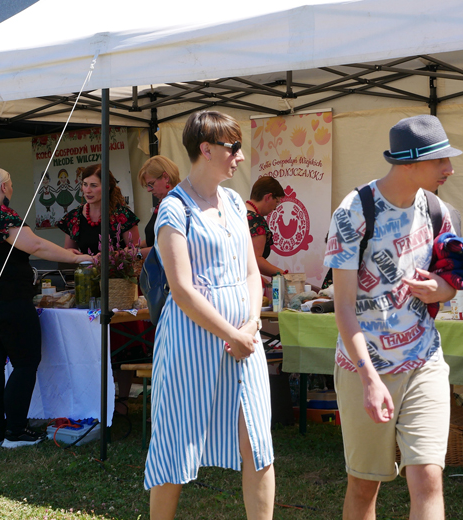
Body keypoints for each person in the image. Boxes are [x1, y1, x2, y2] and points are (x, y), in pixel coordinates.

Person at [325, 114, 460, 520]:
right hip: (366, 366)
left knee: (428, 480)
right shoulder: (353, 211)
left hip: (424, 360)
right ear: (410, 162)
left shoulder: (438, 210)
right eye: (440, 160)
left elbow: (453, 279)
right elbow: (343, 307)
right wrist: (369, 380)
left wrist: (442, 288)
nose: (449, 169)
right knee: (365, 486)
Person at [144, 111, 274, 520]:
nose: (239, 156)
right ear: (207, 149)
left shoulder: (235, 202)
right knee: (175, 446)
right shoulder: (173, 208)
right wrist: (230, 333)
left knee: (258, 442)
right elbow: (181, 289)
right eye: (233, 148)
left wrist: (250, 325)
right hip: (190, 343)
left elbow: (251, 271)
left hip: (244, 343)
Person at [0, 167, 93, 448]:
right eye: (11, 184)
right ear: (3, 188)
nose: (11, 189)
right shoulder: (1, 215)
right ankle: (14, 431)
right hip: (10, 299)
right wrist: (74, 259)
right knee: (25, 363)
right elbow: (35, 245)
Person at [57, 164, 142, 411]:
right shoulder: (74, 217)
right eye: (84, 184)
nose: (87, 190)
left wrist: (114, 258)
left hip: (117, 288)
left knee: (122, 345)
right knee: (91, 344)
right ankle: (95, 398)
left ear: (107, 187)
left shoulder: (122, 215)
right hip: (87, 287)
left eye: (93, 185)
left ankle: (123, 399)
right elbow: (65, 253)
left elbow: (135, 253)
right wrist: (73, 255)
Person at [137, 155, 181, 259]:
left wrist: (137, 254)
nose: (148, 189)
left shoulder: (174, 204)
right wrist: (140, 245)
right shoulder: (163, 202)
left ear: (166, 177)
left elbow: (167, 247)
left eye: (151, 184)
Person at [245, 176, 285, 277]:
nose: (275, 208)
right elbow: (255, 259)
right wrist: (283, 274)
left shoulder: (237, 212)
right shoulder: (255, 220)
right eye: (276, 202)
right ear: (268, 197)